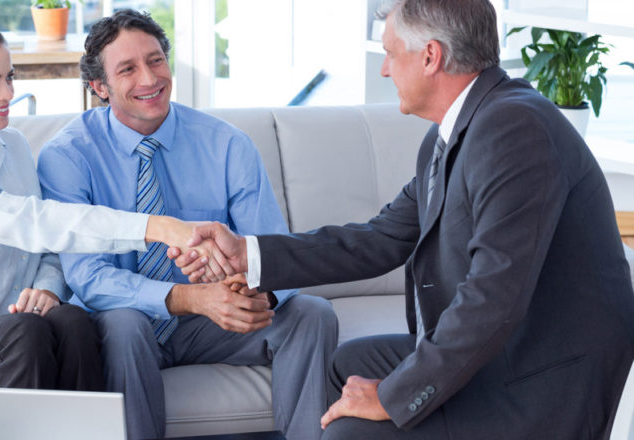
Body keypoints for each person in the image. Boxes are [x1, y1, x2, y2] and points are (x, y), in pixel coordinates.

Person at [173, 0, 634, 438]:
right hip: (508, 351)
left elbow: (494, 297)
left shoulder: (514, 130)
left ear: (431, 56)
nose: (385, 68)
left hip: (538, 377)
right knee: (348, 365)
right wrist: (246, 253)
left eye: (392, 53)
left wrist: (394, 398)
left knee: (353, 431)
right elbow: (379, 239)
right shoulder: (455, 132)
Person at [36, 9, 338, 440]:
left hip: (213, 323)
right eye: (128, 69)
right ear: (99, 87)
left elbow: (273, 249)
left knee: (312, 314)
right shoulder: (67, 157)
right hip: (128, 320)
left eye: (156, 60)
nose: (149, 78)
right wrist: (191, 298)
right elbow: (88, 277)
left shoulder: (227, 144)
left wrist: (250, 288)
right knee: (124, 326)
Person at [0, 18, 217, 392]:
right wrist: (154, 227)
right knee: (23, 332)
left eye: (10, 77)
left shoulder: (14, 147)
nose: (7, 94)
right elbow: (33, 222)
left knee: (72, 320)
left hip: (25, 330)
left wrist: (48, 288)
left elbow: (53, 248)